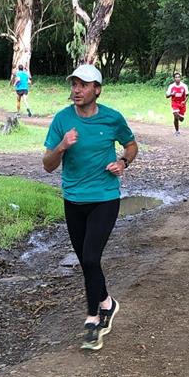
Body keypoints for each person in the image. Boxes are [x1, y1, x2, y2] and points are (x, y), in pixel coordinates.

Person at [42, 64, 138, 351]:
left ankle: (93, 320)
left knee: (91, 257)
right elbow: (47, 166)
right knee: (87, 261)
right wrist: (61, 146)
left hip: (105, 197)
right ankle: (107, 303)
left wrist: (123, 162)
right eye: (74, 84)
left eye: (83, 85)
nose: (76, 90)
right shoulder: (62, 120)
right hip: (73, 199)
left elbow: (131, 145)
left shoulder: (112, 118)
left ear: (97, 89)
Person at [165, 72, 189, 136]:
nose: (177, 78)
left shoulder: (184, 86)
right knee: (175, 114)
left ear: (180, 78)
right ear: (174, 78)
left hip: (182, 103)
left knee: (180, 119)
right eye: (176, 77)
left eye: (178, 77)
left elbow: (187, 95)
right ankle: (177, 131)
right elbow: (167, 96)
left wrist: (185, 101)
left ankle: (180, 118)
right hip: (175, 102)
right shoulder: (171, 86)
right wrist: (171, 94)